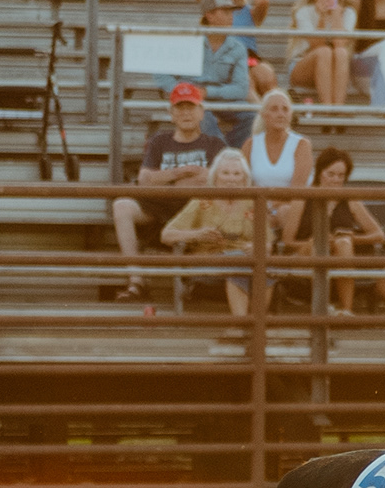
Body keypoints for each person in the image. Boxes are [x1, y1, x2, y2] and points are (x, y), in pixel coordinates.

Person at [112, 81, 226, 302]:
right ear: (171, 114)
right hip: (159, 208)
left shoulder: (214, 144)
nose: (185, 113)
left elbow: (213, 179)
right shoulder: (159, 141)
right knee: (121, 206)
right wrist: (180, 173)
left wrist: (165, 180)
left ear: (201, 112)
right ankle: (136, 281)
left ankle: (197, 282)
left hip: (197, 211)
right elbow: (145, 179)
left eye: (191, 107)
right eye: (179, 108)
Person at [161, 148, 273, 317]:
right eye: (225, 173)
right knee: (240, 262)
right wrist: (196, 234)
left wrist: (256, 246)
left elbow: (268, 244)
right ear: (215, 177)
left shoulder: (253, 203)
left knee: (261, 262)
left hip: (244, 259)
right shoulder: (202, 200)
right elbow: (166, 235)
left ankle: (251, 321)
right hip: (208, 260)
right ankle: (246, 322)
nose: (231, 179)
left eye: (236, 174)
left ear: (245, 179)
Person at [282, 146, 385, 313]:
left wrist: (351, 238)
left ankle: (346, 310)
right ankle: (323, 306)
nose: (336, 180)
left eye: (341, 175)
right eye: (330, 174)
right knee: (318, 245)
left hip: (340, 257)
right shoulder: (302, 198)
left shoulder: (350, 200)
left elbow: (379, 235)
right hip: (305, 255)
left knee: (343, 243)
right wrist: (313, 242)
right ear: (319, 173)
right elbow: (287, 241)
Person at [157, 0, 258, 146]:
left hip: (221, 99)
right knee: (203, 117)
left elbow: (241, 88)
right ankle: (222, 154)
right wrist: (182, 91)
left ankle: (229, 154)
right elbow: (161, 73)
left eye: (231, 12)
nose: (231, 16)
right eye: (225, 11)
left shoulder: (238, 47)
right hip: (191, 100)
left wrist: (208, 92)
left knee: (252, 116)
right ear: (209, 15)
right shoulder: (189, 41)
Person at [186, 0, 276, 96]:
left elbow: (263, 0)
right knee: (247, 81)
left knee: (266, 74)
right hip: (223, 56)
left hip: (248, 56)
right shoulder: (213, 6)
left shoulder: (250, 12)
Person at [243, 89, 314, 240]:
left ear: (290, 115)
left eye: (285, 109)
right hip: (259, 208)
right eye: (274, 109)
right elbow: (244, 185)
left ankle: (288, 249)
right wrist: (262, 209)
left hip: (290, 208)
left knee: (285, 211)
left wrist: (273, 208)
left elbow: (298, 190)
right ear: (264, 114)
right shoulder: (250, 144)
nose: (281, 114)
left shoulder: (302, 144)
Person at [287, 0, 357, 104]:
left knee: (341, 52)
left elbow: (339, 43)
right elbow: (317, 46)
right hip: (303, 66)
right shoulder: (303, 12)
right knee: (324, 52)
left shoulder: (348, 12)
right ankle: (327, 109)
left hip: (333, 67)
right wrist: (321, 17)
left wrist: (336, 14)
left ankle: (338, 108)